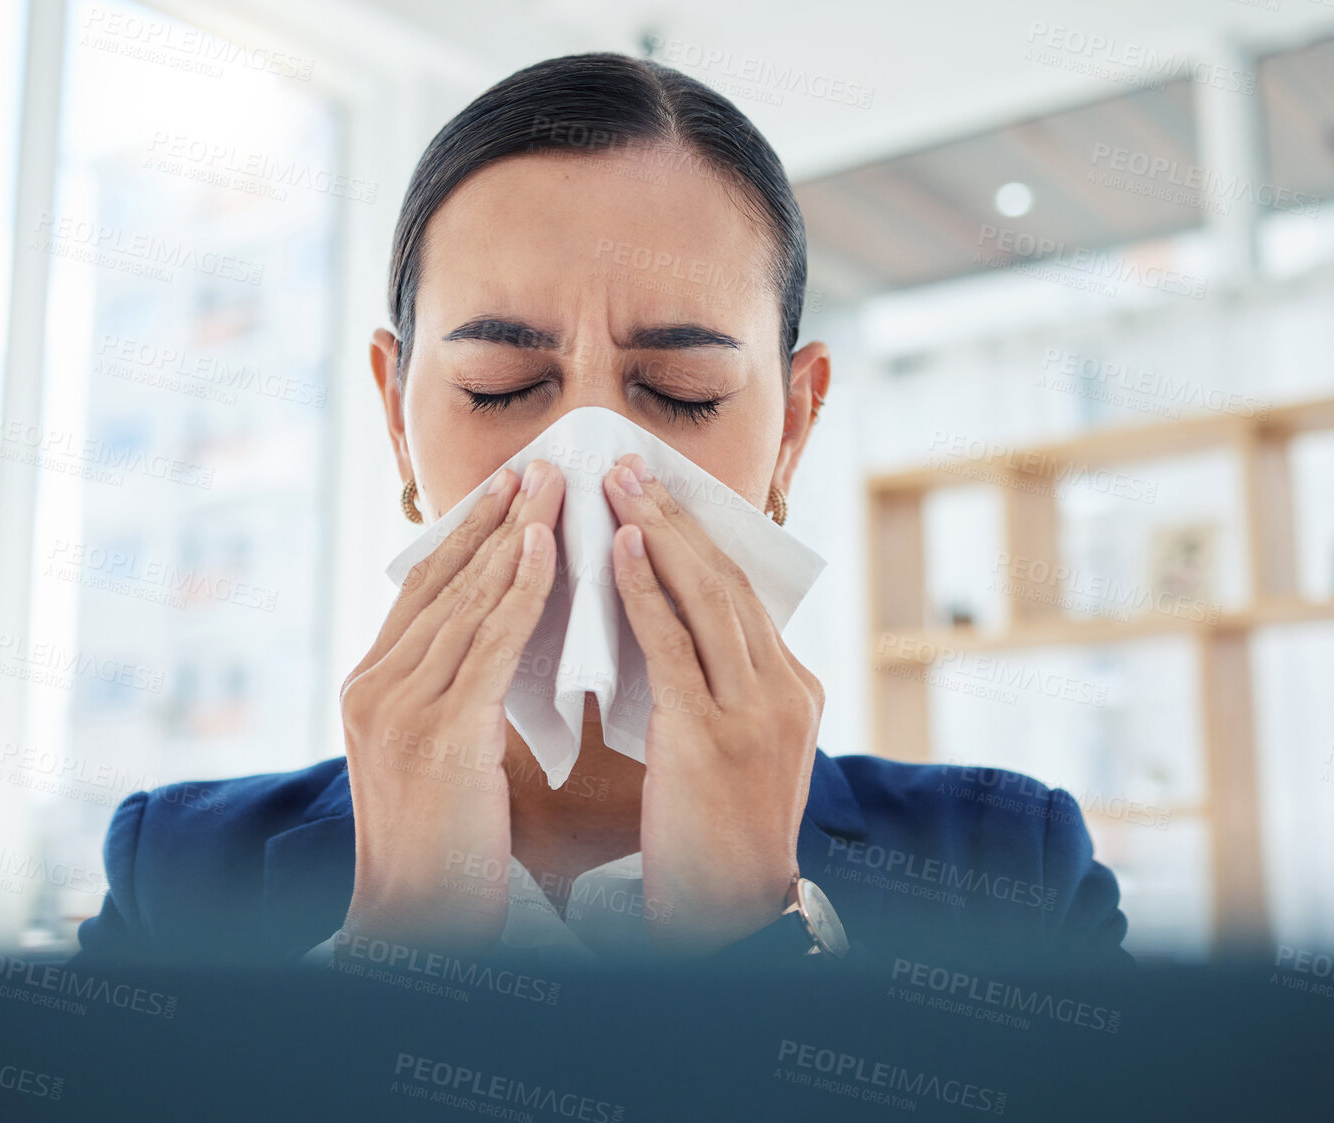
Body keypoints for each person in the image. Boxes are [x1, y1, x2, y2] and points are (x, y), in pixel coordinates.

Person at [70, 52, 1131, 975]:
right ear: (397, 421)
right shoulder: (178, 874)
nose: (585, 459)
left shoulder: (1005, 871)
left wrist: (753, 951)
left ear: (792, 429)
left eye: (679, 391)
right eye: (496, 384)